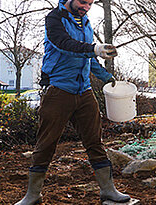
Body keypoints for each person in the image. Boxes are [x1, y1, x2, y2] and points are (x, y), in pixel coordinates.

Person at [15, 0, 130, 204]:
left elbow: (88, 57)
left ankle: (108, 189)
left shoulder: (84, 22)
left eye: (90, 3)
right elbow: (64, 45)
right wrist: (94, 48)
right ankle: (32, 194)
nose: (86, 7)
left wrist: (106, 76)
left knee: (95, 141)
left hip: (84, 92)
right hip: (59, 89)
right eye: (82, 2)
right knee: (46, 142)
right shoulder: (54, 18)